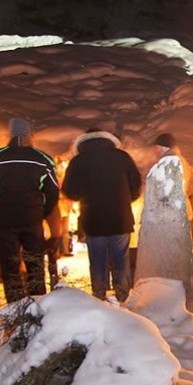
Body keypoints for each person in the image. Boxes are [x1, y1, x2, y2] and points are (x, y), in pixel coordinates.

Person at [0, 118, 59, 303]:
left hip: (4, 219)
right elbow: (52, 191)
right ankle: (38, 304)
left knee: (9, 265)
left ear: (10, 134)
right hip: (32, 219)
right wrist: (42, 210)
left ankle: (14, 305)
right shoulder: (42, 159)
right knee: (34, 263)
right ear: (30, 134)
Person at [62, 129, 142, 303]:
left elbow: (70, 191)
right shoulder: (122, 157)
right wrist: (126, 199)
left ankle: (99, 297)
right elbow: (136, 184)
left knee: (97, 260)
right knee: (121, 259)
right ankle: (123, 297)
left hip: (93, 220)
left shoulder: (78, 162)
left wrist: (84, 196)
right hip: (120, 218)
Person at [135, 133, 193, 313]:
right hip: (180, 214)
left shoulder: (170, 162)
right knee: (179, 258)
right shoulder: (182, 161)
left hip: (170, 219)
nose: (154, 151)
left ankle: (175, 300)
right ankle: (181, 297)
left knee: (173, 260)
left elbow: (165, 195)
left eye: (156, 147)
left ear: (162, 147)